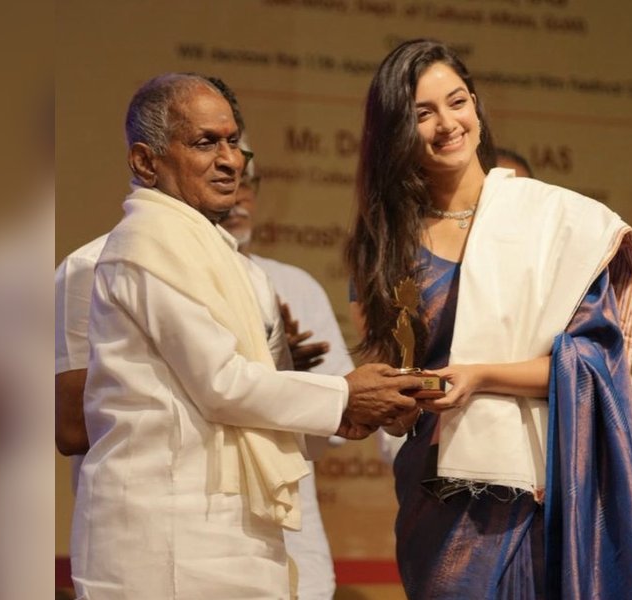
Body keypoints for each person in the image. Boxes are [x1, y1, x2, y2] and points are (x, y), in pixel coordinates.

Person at [68, 72, 421, 600]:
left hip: (236, 535)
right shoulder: (143, 244)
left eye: (233, 141)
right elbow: (221, 384)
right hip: (161, 538)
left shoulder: (237, 266)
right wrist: (345, 394)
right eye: (205, 143)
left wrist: (346, 414)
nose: (231, 159)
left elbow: (239, 399)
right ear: (145, 162)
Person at [346, 40, 632, 599]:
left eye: (457, 101)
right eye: (423, 113)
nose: (448, 124)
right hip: (433, 496)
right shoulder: (385, 243)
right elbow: (392, 373)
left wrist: (480, 376)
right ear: (396, 129)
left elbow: (597, 364)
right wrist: (390, 406)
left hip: (533, 497)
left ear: (476, 106)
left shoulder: (553, 222)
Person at [222, 136, 353, 599]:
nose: (238, 200)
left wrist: (292, 379)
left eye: (248, 186)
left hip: (293, 538)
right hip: (198, 536)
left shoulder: (294, 286)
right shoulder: (134, 274)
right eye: (227, 184)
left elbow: (339, 423)